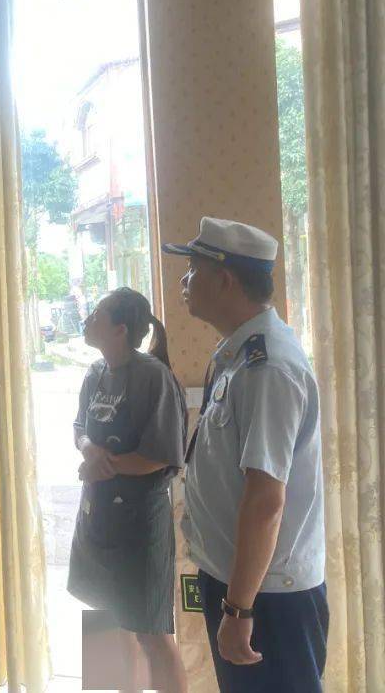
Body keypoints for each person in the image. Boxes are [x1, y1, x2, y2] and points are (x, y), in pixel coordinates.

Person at [163, 217, 327, 693]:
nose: (184, 281)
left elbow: (266, 499)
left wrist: (239, 609)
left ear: (224, 279)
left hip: (265, 595)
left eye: (193, 270)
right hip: (241, 582)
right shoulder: (238, 354)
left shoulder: (267, 367)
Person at [67, 287, 188, 693]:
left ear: (120, 329)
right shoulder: (94, 372)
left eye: (97, 314)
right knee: (107, 622)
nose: (88, 319)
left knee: (151, 633)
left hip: (140, 522)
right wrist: (89, 449)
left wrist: (104, 465)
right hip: (97, 516)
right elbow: (80, 427)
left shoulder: (153, 376)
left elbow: (162, 454)